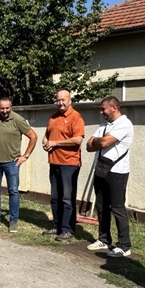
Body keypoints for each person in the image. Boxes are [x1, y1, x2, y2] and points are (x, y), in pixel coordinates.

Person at [0, 97, 38, 233]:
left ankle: (13, 221)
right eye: (2, 108)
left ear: (11, 107)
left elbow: (33, 136)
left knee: (13, 191)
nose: (4, 111)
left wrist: (25, 156)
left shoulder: (18, 120)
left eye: (7, 108)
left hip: (12, 163)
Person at [85, 96, 134, 257]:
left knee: (117, 207)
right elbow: (89, 146)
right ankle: (104, 239)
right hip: (101, 169)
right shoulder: (105, 125)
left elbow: (104, 143)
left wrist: (99, 141)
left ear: (114, 108)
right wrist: (100, 140)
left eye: (103, 109)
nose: (101, 112)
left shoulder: (124, 124)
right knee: (101, 206)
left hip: (117, 172)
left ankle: (124, 246)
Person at [41, 89, 85, 241]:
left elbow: (78, 139)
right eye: (58, 100)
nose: (60, 102)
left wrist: (56, 143)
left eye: (63, 100)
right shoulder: (53, 117)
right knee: (55, 197)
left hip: (69, 163)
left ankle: (67, 229)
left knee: (67, 198)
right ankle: (57, 225)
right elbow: (47, 135)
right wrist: (45, 142)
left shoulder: (75, 117)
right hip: (54, 161)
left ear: (69, 100)